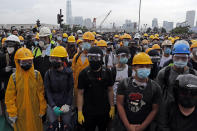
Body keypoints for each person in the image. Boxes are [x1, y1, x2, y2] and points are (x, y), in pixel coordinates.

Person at [117, 52, 162, 131]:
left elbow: (155, 109)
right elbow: (120, 104)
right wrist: (128, 126)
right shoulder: (124, 83)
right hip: (125, 125)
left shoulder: (155, 87)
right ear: (134, 67)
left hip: (146, 127)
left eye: (147, 66)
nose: (145, 68)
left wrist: (142, 127)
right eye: (141, 66)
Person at [5, 47, 47, 131]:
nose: (27, 63)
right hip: (20, 114)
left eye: (29, 61)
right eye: (24, 61)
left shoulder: (36, 75)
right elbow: (10, 97)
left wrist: (42, 109)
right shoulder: (14, 77)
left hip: (35, 112)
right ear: (18, 61)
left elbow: (41, 93)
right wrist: (12, 112)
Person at [77, 46, 114, 131]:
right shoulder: (83, 73)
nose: (93, 60)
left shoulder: (107, 72)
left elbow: (110, 90)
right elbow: (80, 93)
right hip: (88, 111)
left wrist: (112, 107)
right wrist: (79, 111)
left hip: (104, 110)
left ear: (101, 58)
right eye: (91, 57)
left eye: (96, 57)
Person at [44, 46, 74, 131]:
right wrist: (53, 106)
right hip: (52, 104)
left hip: (65, 105)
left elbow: (70, 90)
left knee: (67, 126)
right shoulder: (48, 73)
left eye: (57, 59)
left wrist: (68, 104)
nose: (54, 61)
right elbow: (47, 91)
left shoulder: (69, 73)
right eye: (53, 59)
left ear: (63, 60)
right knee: (53, 127)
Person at [72, 32, 94, 104]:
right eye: (85, 41)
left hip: (90, 90)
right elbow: (73, 71)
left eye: (89, 41)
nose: (86, 43)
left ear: (93, 42)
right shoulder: (76, 56)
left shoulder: (95, 57)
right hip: (77, 88)